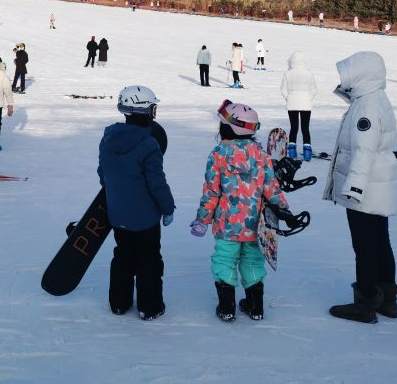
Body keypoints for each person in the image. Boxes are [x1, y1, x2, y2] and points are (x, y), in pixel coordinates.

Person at [190, 100, 300, 322]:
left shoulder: (218, 154)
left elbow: (211, 192)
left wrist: (202, 220)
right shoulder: (260, 154)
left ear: (228, 128)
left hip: (226, 224)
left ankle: (227, 307)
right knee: (252, 259)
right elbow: (271, 187)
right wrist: (284, 211)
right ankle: (255, 306)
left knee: (225, 259)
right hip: (255, 223)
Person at [325, 51, 397, 324]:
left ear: (362, 75)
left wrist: (354, 187)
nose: (344, 78)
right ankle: (388, 299)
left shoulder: (366, 107)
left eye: (348, 73)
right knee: (380, 242)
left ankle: (367, 302)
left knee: (365, 247)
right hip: (378, 187)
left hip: (366, 189)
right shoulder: (375, 99)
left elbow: (364, 150)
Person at [98, 86, 175, 320]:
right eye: (152, 107)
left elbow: (104, 173)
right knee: (149, 260)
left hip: (118, 214)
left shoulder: (108, 138)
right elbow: (156, 183)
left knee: (122, 256)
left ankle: (119, 303)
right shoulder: (149, 144)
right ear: (144, 110)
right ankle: (150, 306)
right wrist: (167, 207)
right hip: (145, 219)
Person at [281, 51, 317, 161]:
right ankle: (307, 152)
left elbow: (283, 89)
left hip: (292, 103)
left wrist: (289, 98)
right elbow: (314, 89)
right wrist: (307, 98)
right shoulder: (309, 73)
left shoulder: (287, 73)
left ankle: (292, 152)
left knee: (294, 127)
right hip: (306, 103)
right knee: (305, 128)